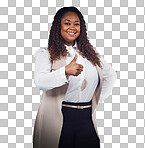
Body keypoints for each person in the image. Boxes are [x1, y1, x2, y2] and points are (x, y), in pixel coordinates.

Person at [33, 6, 117, 148]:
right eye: (67, 23)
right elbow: (40, 81)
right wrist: (65, 71)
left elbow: (110, 76)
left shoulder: (90, 54)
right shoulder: (46, 53)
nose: (72, 27)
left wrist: (96, 99)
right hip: (59, 117)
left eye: (76, 24)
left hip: (86, 118)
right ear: (58, 26)